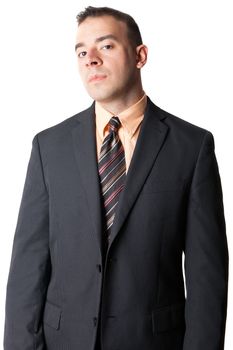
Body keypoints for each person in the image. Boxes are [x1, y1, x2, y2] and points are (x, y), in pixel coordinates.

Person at [3, 6, 228, 350]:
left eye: (105, 46)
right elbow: (27, 270)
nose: (90, 59)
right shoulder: (49, 147)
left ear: (140, 55)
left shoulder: (192, 147)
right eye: (81, 52)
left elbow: (207, 277)